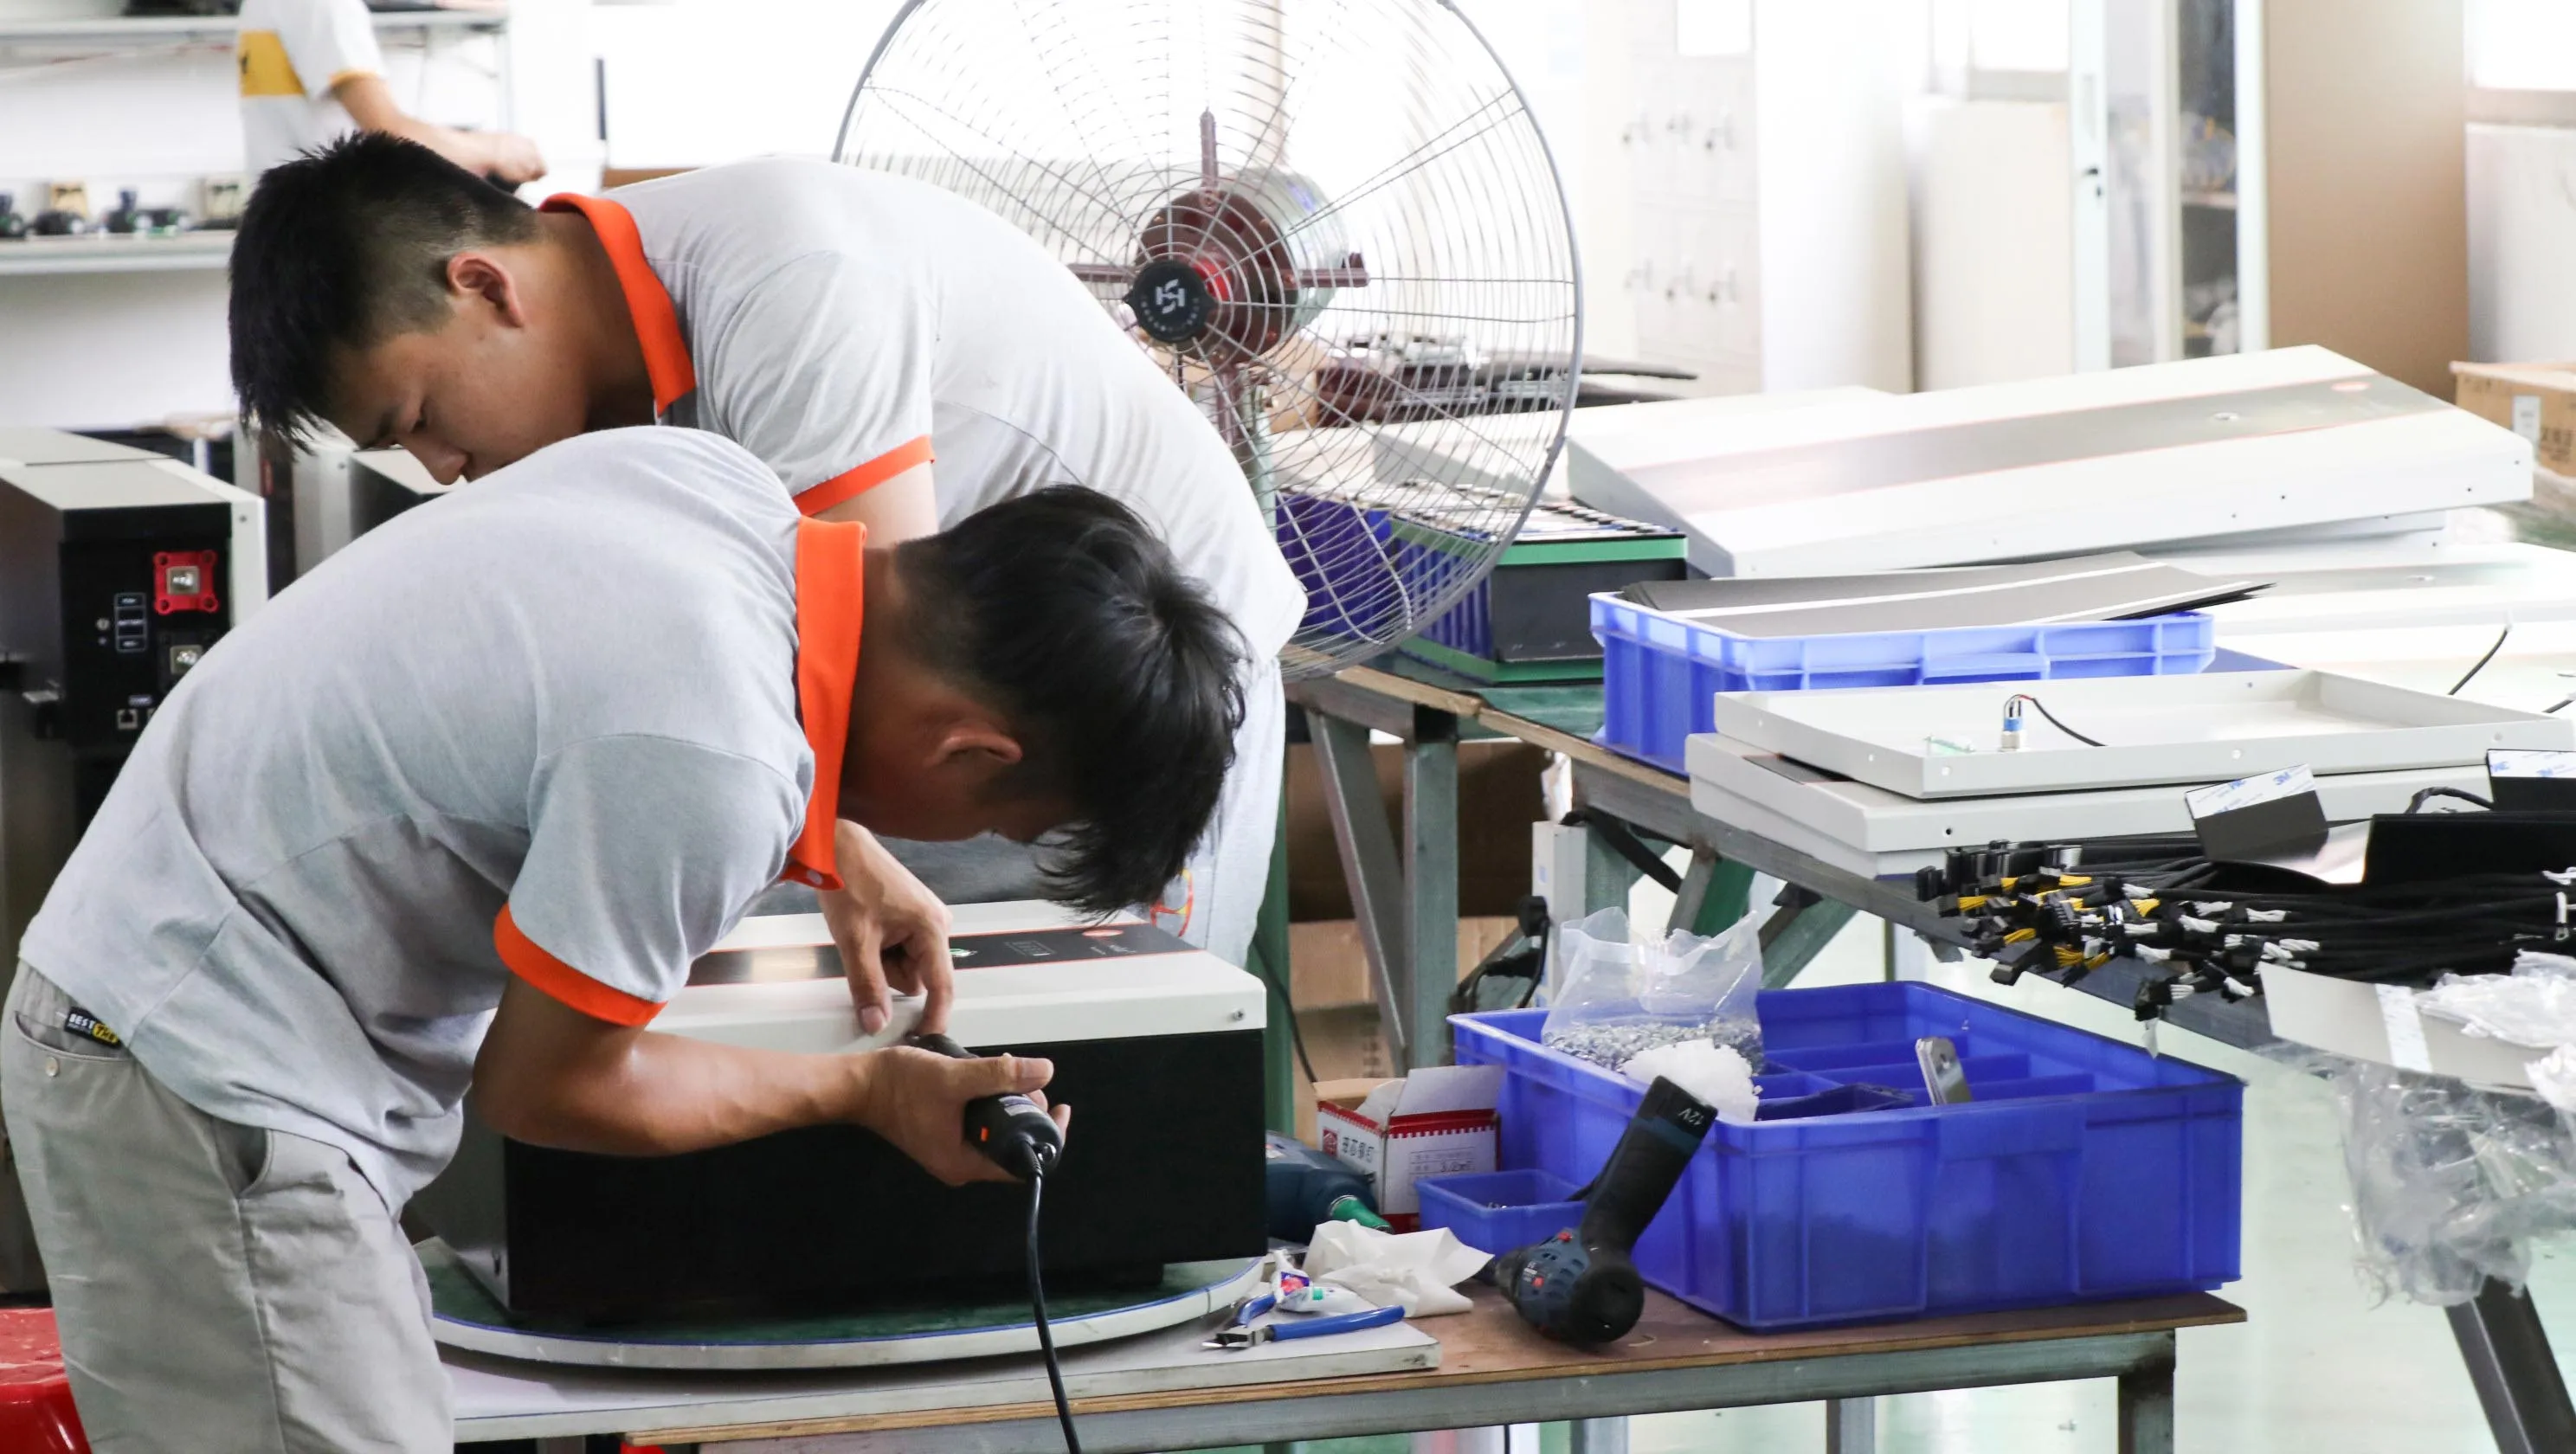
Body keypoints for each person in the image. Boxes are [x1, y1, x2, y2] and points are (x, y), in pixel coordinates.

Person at [3, 427, 1246, 1451]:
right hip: (201, 1077)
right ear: (970, 748)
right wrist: (866, 1090)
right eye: (993, 822)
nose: (958, 845)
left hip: (155, 995)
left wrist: (830, 842)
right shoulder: (713, 758)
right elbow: (549, 1087)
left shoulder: (710, 482)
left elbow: (587, 688)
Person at [223, 133, 1304, 1000]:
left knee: (1118, 1045)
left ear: (482, 287)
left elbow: (849, 677)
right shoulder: (606, 366)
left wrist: (824, 857)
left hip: (1144, 685)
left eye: (420, 416)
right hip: (958, 699)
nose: (442, 468)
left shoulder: (792, 284)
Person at [236, 0, 544, 183]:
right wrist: (496, 150)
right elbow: (388, 131)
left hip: (283, 224)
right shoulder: (326, 6)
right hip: (325, 230)